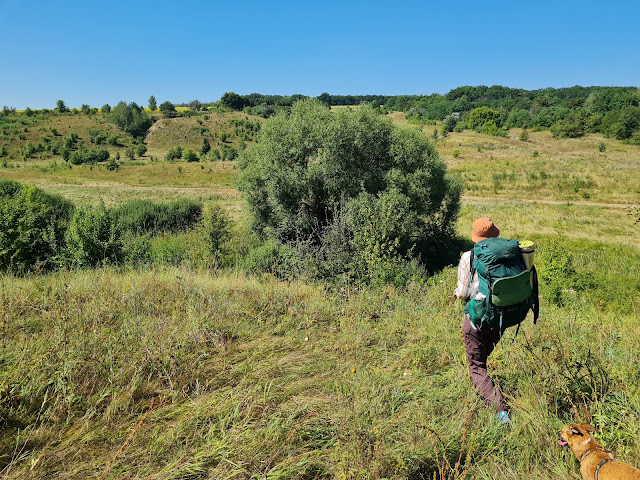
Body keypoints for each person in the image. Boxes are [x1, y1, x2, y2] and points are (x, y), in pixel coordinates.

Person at [454, 217, 510, 424]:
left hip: (478, 318)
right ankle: (482, 387)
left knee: (476, 365)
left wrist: (456, 295)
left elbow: (462, 292)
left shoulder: (469, 257)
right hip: (502, 317)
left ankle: (501, 413)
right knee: (482, 358)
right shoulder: (508, 255)